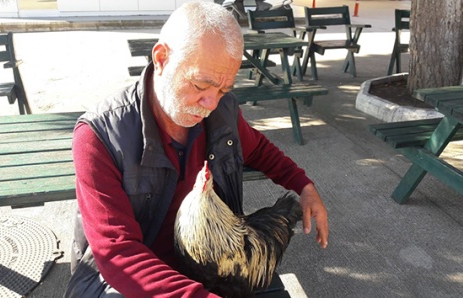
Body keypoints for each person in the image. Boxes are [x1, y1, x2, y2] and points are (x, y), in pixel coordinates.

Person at [64, 1, 328, 297]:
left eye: (223, 90)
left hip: (207, 266)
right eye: (201, 85)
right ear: (162, 58)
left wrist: (303, 186)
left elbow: (259, 149)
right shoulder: (99, 135)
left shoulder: (221, 114)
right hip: (125, 280)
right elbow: (118, 254)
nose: (211, 103)